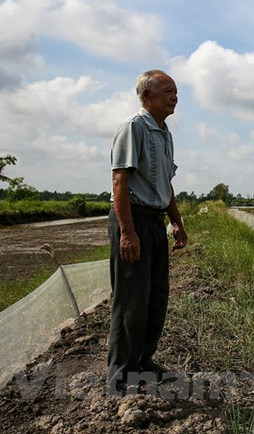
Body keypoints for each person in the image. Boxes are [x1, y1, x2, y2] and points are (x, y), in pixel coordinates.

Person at [107, 69, 187, 394]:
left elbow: (165, 184)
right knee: (131, 301)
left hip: (154, 224)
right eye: (168, 91)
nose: (174, 97)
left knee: (156, 298)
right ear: (146, 96)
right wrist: (127, 232)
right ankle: (121, 377)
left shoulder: (165, 134)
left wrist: (177, 223)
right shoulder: (133, 128)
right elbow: (119, 183)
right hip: (134, 222)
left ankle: (144, 363)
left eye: (176, 92)